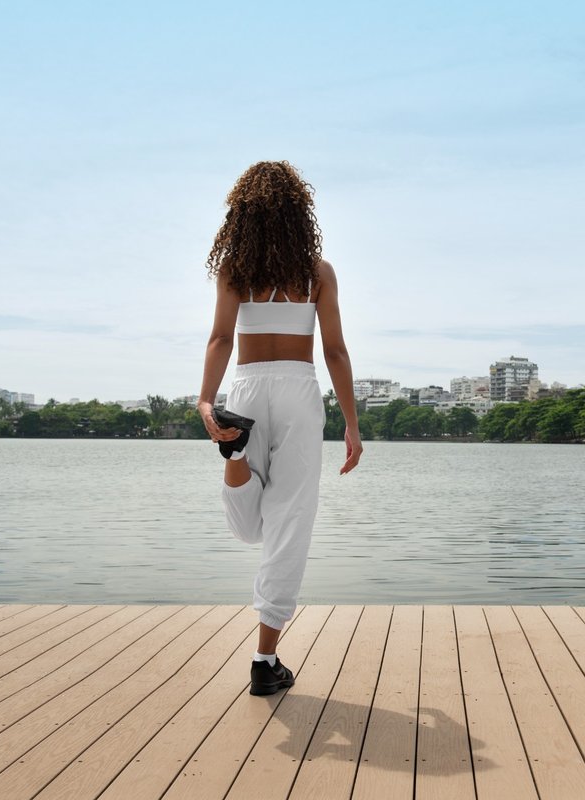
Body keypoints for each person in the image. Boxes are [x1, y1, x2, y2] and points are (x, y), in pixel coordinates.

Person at [196, 161, 362, 696]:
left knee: (249, 530)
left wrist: (206, 399)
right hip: (297, 389)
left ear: (241, 216)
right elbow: (334, 350)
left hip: (244, 389)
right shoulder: (317, 272)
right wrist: (352, 425)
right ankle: (264, 660)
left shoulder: (234, 270)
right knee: (289, 521)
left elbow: (221, 339)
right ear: (299, 214)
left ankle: (235, 455)